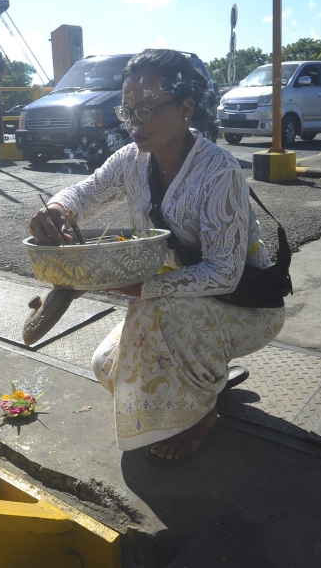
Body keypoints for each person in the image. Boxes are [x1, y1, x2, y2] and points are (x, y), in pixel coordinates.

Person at [29, 49, 286, 466]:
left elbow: (224, 273)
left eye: (146, 110)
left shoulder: (219, 172)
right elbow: (85, 191)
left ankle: (202, 415)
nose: (133, 123)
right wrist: (58, 209)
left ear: (187, 107)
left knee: (154, 312)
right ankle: (208, 379)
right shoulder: (131, 161)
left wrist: (131, 286)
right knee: (106, 364)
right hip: (177, 303)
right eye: (127, 110)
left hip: (247, 306)